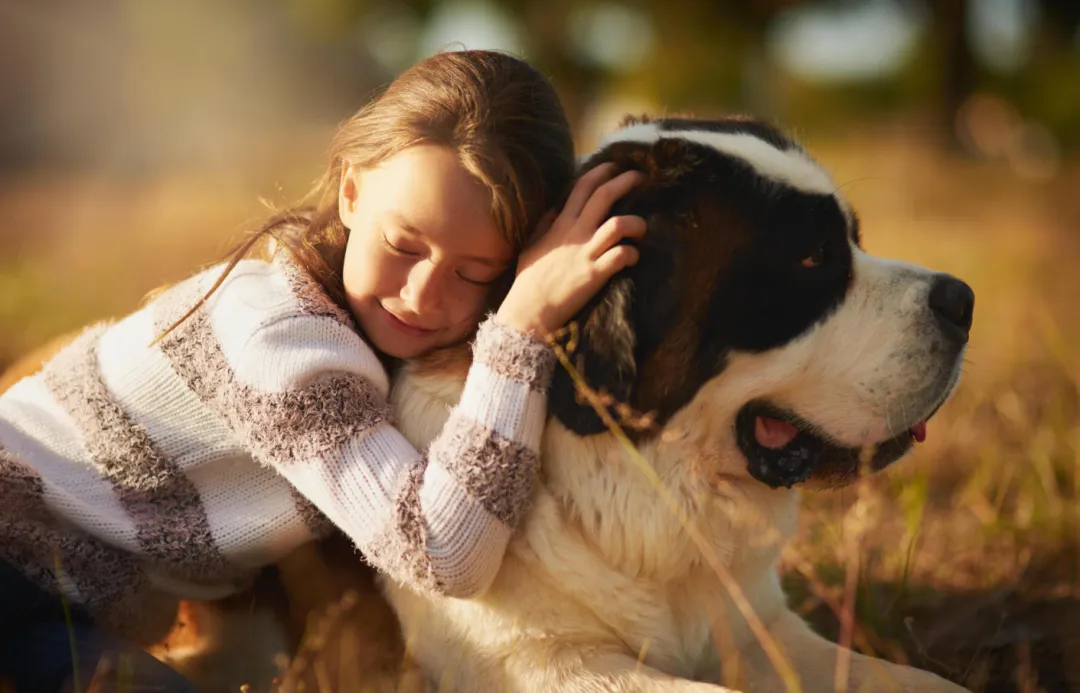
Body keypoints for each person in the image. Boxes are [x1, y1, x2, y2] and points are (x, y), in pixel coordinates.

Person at [0, 49, 647, 692]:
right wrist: (519, 328)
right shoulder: (285, 339)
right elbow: (442, 553)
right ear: (350, 192)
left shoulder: (353, 336)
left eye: (474, 273)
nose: (423, 294)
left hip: (58, 609)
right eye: (402, 245)